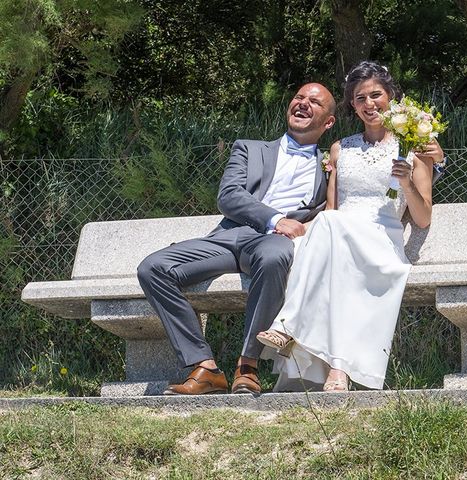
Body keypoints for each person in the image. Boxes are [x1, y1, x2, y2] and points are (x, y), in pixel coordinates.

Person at [137, 83, 336, 395]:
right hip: (231, 235)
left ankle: (248, 365)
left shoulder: (330, 165)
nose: (303, 104)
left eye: (315, 102)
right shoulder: (249, 148)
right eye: (298, 97)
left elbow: (376, 182)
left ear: (328, 122)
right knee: (153, 268)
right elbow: (228, 196)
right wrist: (275, 219)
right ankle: (204, 367)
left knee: (274, 258)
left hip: (272, 245)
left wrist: (435, 163)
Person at [257, 61, 444, 392]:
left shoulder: (414, 148)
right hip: (340, 232)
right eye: (360, 98)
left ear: (391, 98)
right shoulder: (340, 147)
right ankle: (338, 371)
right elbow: (332, 208)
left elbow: (423, 217)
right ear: (352, 106)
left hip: (380, 238)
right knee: (326, 235)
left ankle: (289, 326)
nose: (369, 104)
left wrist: (406, 184)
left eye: (376, 95)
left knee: (330, 232)